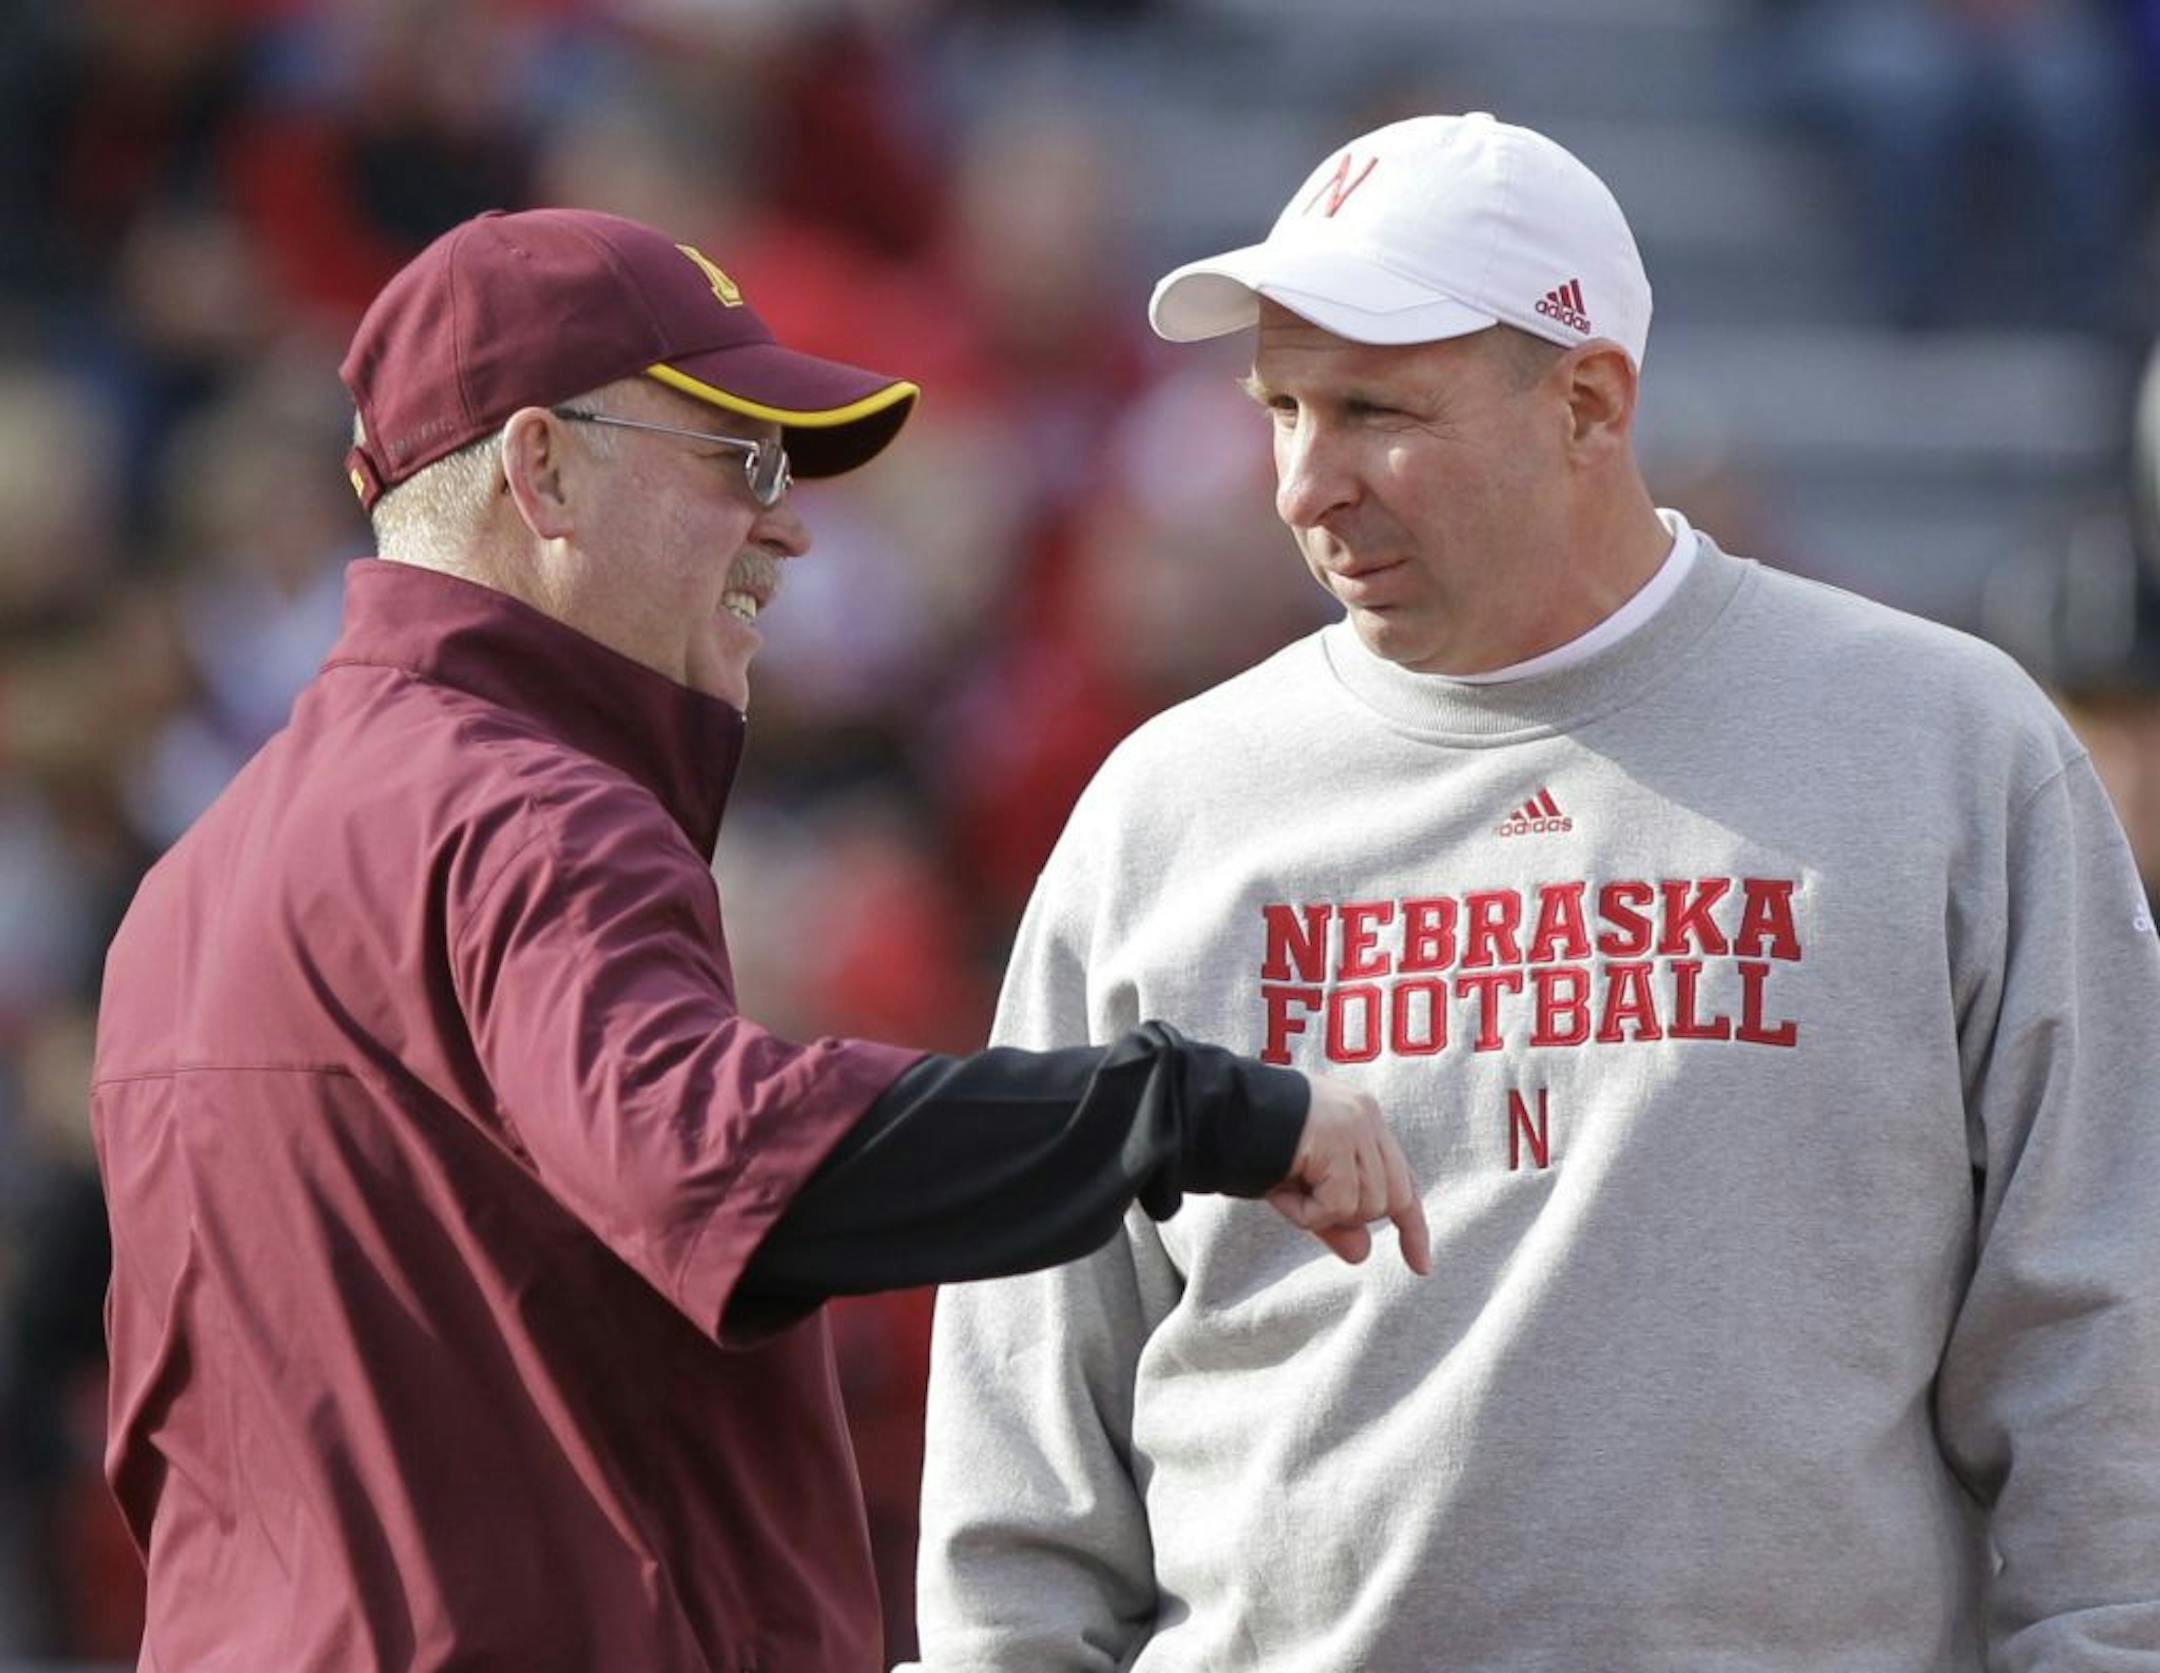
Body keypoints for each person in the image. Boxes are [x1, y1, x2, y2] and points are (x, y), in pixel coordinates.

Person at [88, 207, 1432, 1673]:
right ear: (543, 470)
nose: (790, 522)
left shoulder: (198, 878)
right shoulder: (529, 809)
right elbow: (716, 1161)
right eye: (743, 463)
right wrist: (1201, 1110)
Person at [911, 113, 2160, 1670]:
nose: (1307, 484)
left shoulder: (1951, 752)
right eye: (1281, 407)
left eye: (1376, 409)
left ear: (1587, 402)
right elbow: (1026, 1431)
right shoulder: (1166, 809)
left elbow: (2101, 1338)